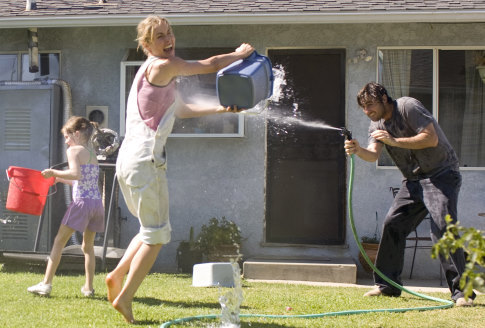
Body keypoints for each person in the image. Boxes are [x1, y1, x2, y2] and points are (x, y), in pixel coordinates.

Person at [105, 15, 254, 323]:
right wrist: (239, 55)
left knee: (149, 231)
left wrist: (221, 107)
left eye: (169, 32)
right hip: (145, 162)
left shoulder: (151, 75)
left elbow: (183, 109)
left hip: (130, 161)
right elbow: (211, 63)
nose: (168, 39)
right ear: (146, 45)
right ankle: (125, 297)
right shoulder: (162, 66)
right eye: (159, 36)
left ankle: (117, 276)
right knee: (157, 237)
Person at [344, 82, 475, 307]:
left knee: (442, 228)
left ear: (384, 98)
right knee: (393, 223)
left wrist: (394, 141)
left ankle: (462, 293)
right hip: (414, 180)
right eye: (363, 108)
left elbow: (430, 138)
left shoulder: (408, 107)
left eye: (370, 105)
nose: (367, 112)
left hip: (442, 174)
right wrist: (358, 150)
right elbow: (374, 154)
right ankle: (387, 285)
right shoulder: (376, 123)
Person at [28, 116, 104, 297]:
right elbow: (84, 181)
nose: (66, 141)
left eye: (67, 137)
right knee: (88, 247)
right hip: (96, 205)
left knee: (59, 241)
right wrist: (60, 179)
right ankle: (89, 288)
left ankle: (45, 284)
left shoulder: (74, 151)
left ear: (76, 134)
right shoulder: (92, 153)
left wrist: (53, 171)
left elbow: (76, 174)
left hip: (82, 204)